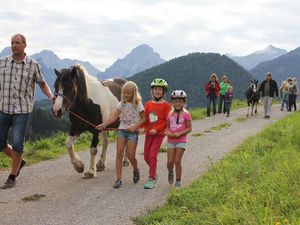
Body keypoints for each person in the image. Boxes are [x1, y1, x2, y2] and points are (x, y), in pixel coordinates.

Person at [0, 34, 54, 189]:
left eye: (17, 43)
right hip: (3, 108)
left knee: (17, 143)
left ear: (24, 45)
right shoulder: (2, 62)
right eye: (12, 43)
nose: (14, 45)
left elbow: (42, 83)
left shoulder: (33, 65)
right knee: (0, 142)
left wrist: (50, 96)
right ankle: (20, 162)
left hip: (22, 110)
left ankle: (12, 176)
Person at [96, 81, 145, 188]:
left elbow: (143, 119)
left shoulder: (138, 104)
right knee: (119, 155)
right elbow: (113, 117)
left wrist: (135, 127)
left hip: (132, 133)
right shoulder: (121, 104)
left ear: (134, 93)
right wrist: (103, 125)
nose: (126, 95)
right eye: (124, 93)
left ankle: (136, 170)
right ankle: (118, 179)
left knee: (131, 156)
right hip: (121, 131)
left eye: (128, 93)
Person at [141, 78, 171, 189]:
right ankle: (153, 172)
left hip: (159, 134)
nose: (157, 91)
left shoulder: (166, 105)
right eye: (155, 89)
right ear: (152, 91)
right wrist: (143, 127)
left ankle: (152, 178)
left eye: (160, 89)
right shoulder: (148, 104)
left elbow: (166, 121)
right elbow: (145, 119)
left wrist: (157, 129)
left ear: (164, 92)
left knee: (152, 155)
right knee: (145, 156)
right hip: (149, 133)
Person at [166, 90, 192, 188]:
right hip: (171, 141)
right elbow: (167, 128)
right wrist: (168, 133)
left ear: (184, 102)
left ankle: (178, 181)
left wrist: (180, 133)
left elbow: (189, 128)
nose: (178, 103)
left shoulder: (186, 114)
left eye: (180, 101)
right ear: (172, 102)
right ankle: (170, 172)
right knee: (169, 162)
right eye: (176, 101)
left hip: (181, 140)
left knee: (177, 161)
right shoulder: (169, 114)